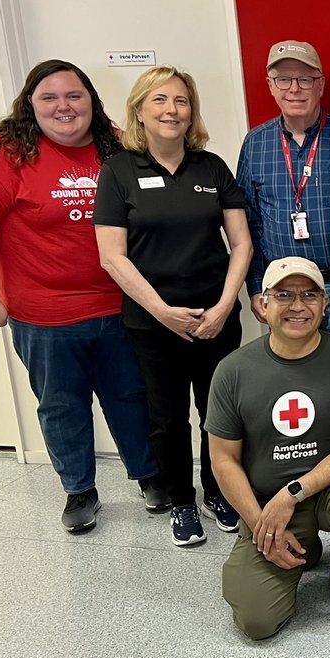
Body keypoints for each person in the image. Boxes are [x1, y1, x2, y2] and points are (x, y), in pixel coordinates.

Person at [0, 59, 163, 533]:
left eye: (75, 96)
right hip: (45, 315)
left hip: (121, 305)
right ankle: (79, 490)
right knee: (61, 404)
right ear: (30, 104)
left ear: (92, 101)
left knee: (131, 396)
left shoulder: (117, 144)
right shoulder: (3, 155)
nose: (63, 107)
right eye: (49, 98)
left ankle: (150, 477)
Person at [94, 66, 253, 547]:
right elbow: (111, 256)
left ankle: (218, 492)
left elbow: (241, 244)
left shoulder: (212, 167)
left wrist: (226, 306)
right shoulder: (119, 171)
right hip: (151, 322)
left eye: (181, 101)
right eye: (160, 100)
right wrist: (162, 311)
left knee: (218, 413)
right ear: (140, 110)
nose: (171, 110)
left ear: (192, 111)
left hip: (214, 317)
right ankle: (181, 501)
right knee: (166, 417)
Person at [206, 257, 330, 639]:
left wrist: (293, 493)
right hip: (265, 505)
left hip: (326, 494)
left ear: (325, 305)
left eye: (309, 295)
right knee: (256, 623)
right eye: (284, 294)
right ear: (263, 304)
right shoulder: (232, 370)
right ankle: (299, 545)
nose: (297, 305)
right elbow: (223, 460)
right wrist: (261, 524)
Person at [236, 40, 330, 345]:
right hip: (281, 291)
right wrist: (256, 287)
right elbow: (248, 223)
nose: (294, 89)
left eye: (305, 79)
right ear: (270, 86)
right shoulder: (255, 144)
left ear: (320, 86)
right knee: (294, 383)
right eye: (284, 79)